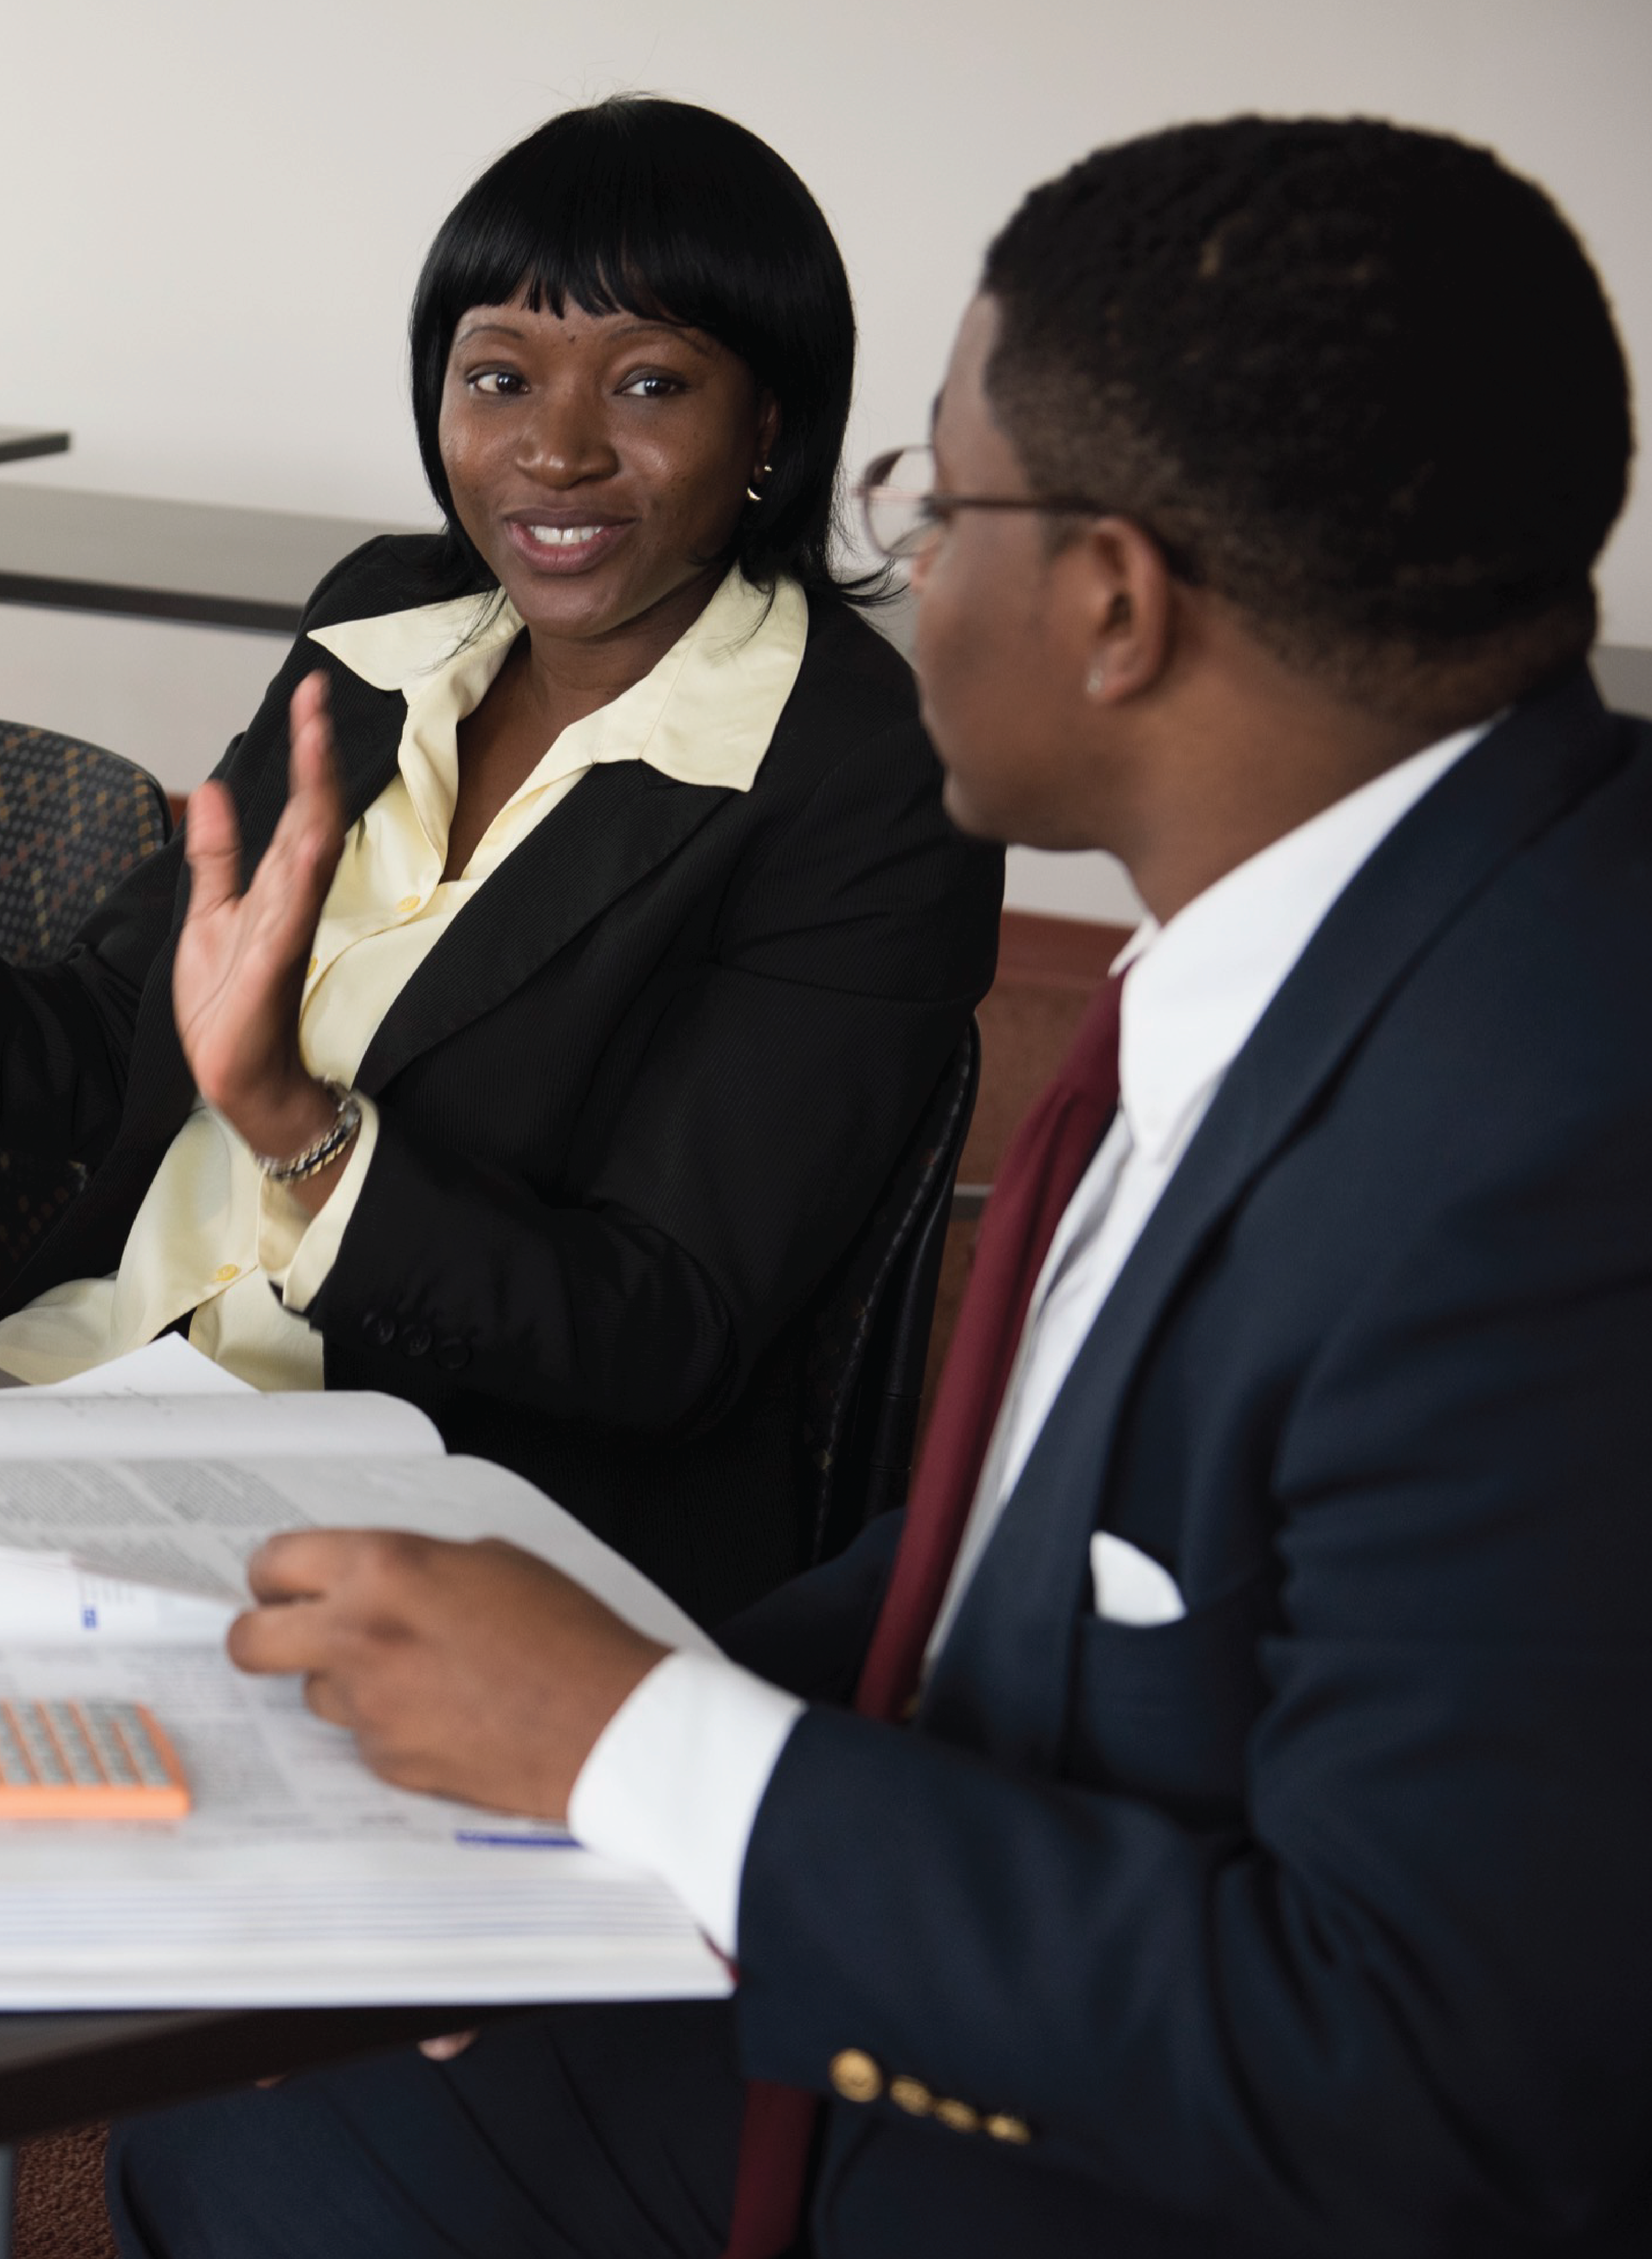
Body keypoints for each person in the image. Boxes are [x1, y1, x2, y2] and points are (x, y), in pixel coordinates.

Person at [114, 115, 1650, 2258]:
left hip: (1111, 2149)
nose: (899, 565)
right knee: (232, 2109)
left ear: (1105, 606)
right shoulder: (1340, 946)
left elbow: (1438, 2088)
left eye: (928, 500)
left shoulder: (1551, 1145)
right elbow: (991, 1577)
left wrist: (640, 1754)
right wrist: (551, 1784)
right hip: (968, 1918)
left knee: (233, 2147)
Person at [0, 99, 1001, 1623]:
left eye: (649, 382)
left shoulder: (859, 775)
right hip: (78, 1400)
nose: (557, 449)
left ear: (767, 423)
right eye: (498, 376)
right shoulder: (386, 628)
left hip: (444, 1524)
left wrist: (298, 1127)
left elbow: (662, 1328)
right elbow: (133, 1036)